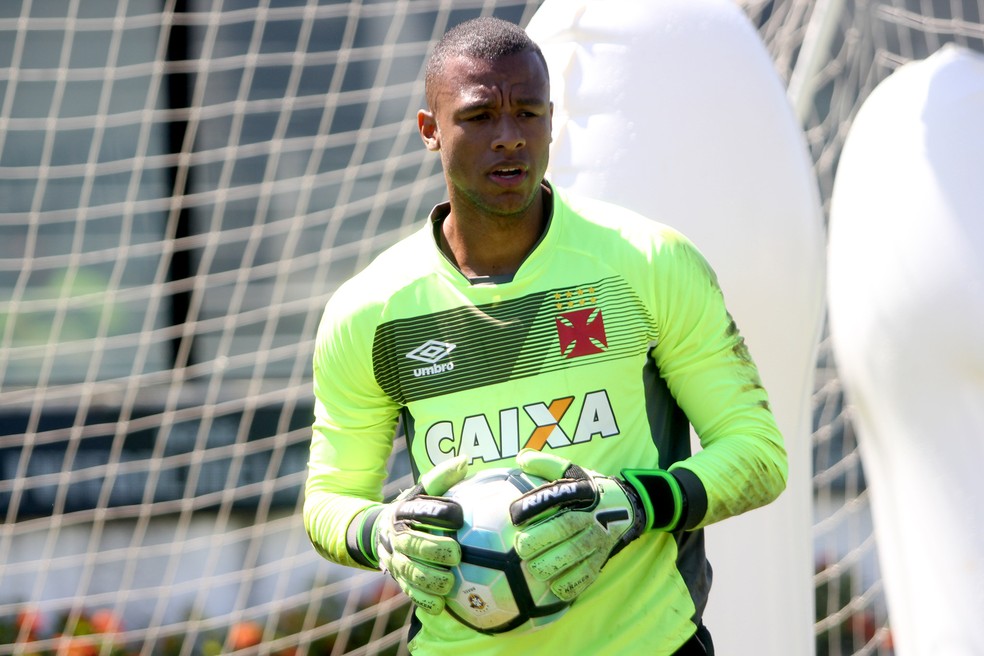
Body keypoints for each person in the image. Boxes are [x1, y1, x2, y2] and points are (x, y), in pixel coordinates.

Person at [304, 16, 787, 656]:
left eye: (528, 114)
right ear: (430, 131)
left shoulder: (649, 263)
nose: (509, 138)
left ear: (552, 121)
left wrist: (632, 504)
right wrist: (385, 532)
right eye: (479, 117)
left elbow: (759, 454)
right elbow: (330, 501)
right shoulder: (369, 311)